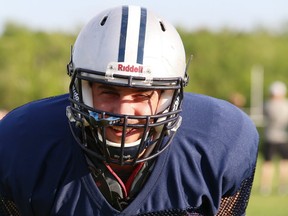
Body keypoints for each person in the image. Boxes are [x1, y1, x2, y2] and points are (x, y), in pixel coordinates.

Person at [0, 5, 258, 216]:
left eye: (142, 94)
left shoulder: (219, 144)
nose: (125, 111)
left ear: (169, 97)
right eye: (108, 92)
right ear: (83, 90)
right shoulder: (24, 144)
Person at [260, 81, 288, 195]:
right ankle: (283, 187)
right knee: (284, 163)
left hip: (269, 137)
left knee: (267, 163)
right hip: (283, 138)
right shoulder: (286, 105)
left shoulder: (267, 105)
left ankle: (265, 188)